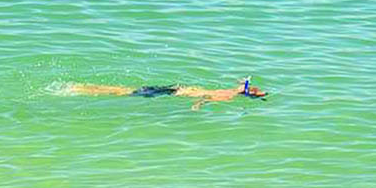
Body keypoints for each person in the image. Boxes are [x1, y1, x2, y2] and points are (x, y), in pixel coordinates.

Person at [66, 77, 268, 111]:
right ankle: (81, 89)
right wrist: (197, 105)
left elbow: (243, 83)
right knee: (123, 93)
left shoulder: (232, 90)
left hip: (174, 88)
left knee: (125, 90)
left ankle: (84, 87)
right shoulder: (229, 96)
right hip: (172, 93)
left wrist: (244, 83)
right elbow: (206, 98)